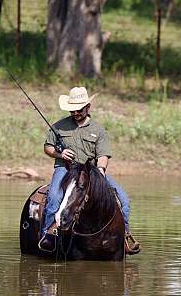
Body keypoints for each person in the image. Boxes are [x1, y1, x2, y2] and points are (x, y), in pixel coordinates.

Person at [39, 87, 140, 255]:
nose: (75, 112)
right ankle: (49, 235)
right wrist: (60, 153)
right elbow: (47, 147)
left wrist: (100, 170)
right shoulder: (59, 127)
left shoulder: (99, 130)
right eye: (72, 109)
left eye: (79, 109)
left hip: (91, 171)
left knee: (123, 200)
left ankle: (124, 236)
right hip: (66, 169)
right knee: (55, 197)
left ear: (88, 107)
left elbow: (103, 155)